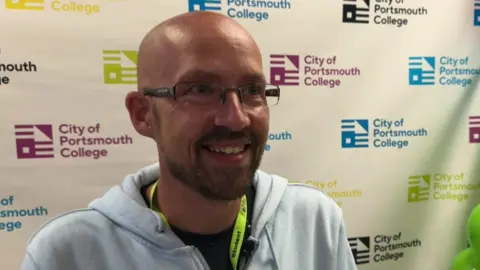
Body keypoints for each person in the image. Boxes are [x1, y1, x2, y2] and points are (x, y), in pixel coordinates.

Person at [21, 11, 357, 270]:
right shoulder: (69, 253)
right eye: (200, 90)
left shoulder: (314, 220)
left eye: (252, 91)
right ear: (142, 114)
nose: (236, 117)